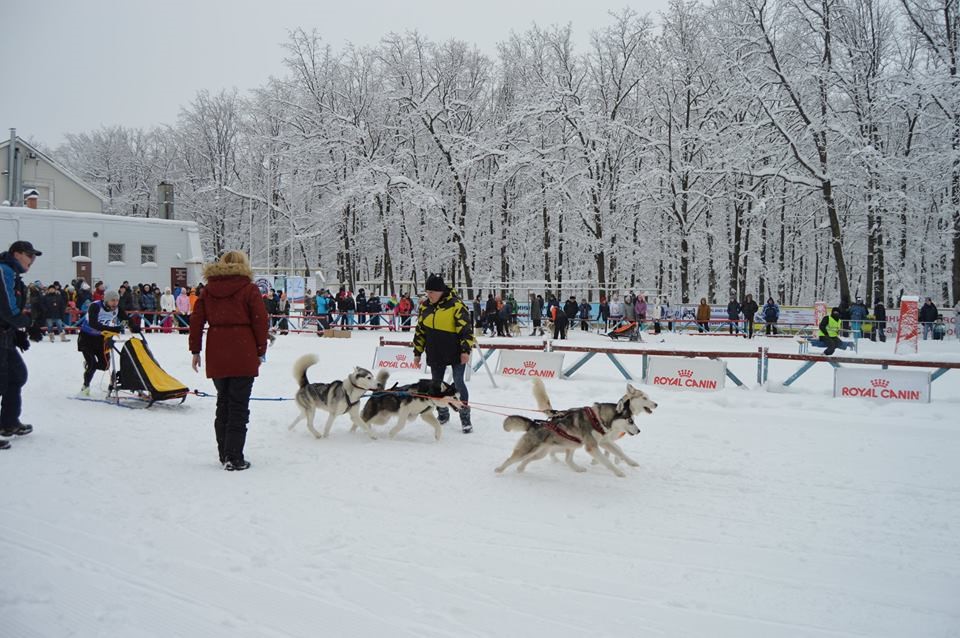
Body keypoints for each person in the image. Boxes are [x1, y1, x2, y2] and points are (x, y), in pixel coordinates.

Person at [189, 250, 268, 471]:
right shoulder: (249, 289)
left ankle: (224, 453)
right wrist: (261, 349)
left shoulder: (208, 290)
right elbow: (260, 321)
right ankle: (235, 457)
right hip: (243, 349)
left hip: (217, 348)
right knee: (238, 406)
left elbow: (196, 321)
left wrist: (195, 350)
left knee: (223, 403)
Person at [412, 274, 475, 433]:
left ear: (441, 291)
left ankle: (465, 417)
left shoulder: (456, 305)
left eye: (432, 292)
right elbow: (420, 332)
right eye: (427, 292)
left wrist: (465, 350)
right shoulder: (425, 307)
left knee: (458, 382)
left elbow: (466, 330)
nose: (429, 295)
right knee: (436, 385)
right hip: (435, 352)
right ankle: (443, 413)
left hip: (456, 352)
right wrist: (417, 352)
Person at [0, 241, 45, 447]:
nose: (32, 260)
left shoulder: (14, 275)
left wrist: (16, 332)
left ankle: (8, 422)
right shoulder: (4, 271)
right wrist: (28, 325)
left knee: (17, 375)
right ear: (16, 254)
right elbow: (7, 308)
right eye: (29, 255)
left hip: (5, 336)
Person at [77, 289, 121, 395]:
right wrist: (111, 329)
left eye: (117, 300)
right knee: (92, 364)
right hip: (86, 338)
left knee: (105, 366)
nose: (115, 303)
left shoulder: (116, 309)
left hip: (101, 339)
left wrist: (132, 326)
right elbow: (93, 324)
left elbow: (125, 319)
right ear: (106, 300)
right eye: (112, 300)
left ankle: (89, 366)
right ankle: (85, 386)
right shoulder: (95, 306)